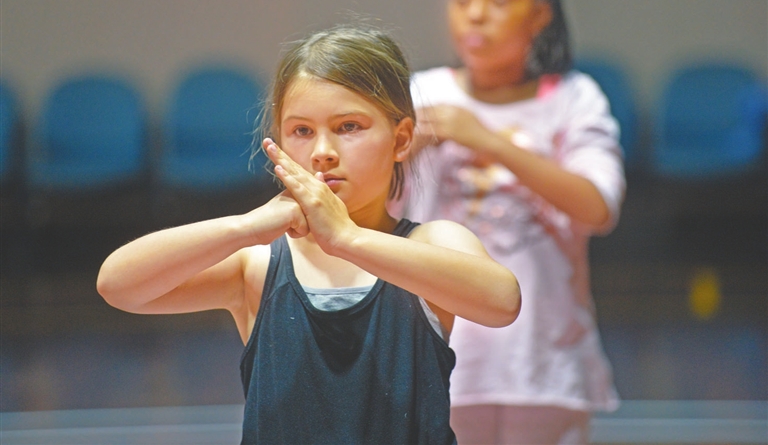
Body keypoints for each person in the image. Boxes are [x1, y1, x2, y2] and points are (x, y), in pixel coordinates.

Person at [96, 23, 521, 445]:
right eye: (301, 131)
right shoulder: (257, 263)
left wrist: (348, 239)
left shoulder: (432, 243)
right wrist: (244, 227)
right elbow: (119, 286)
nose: (322, 152)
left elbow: (502, 302)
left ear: (401, 138)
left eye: (349, 126)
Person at [398, 0, 625, 443]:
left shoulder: (574, 98)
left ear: (540, 13)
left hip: (544, 357)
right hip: (438, 346)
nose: (475, 15)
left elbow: (598, 208)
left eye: (498, 0)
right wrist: (400, 148)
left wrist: (487, 140)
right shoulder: (421, 94)